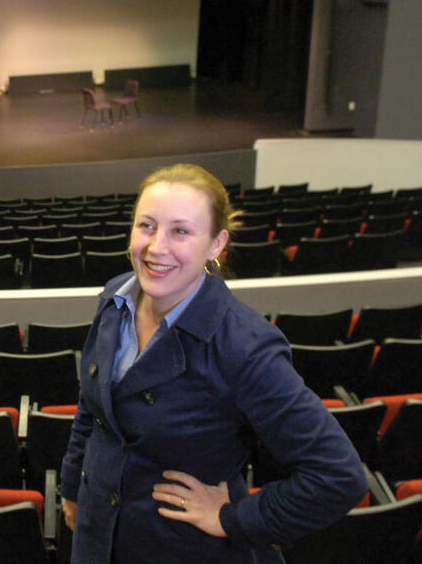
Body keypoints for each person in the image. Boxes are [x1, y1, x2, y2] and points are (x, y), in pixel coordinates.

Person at [59, 164, 367, 563]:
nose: (156, 247)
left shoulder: (245, 346)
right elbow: (93, 407)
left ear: (216, 244)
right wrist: (72, 489)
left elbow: (339, 476)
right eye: (147, 226)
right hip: (97, 536)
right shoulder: (115, 297)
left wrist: (234, 518)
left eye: (180, 231)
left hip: (180, 549)